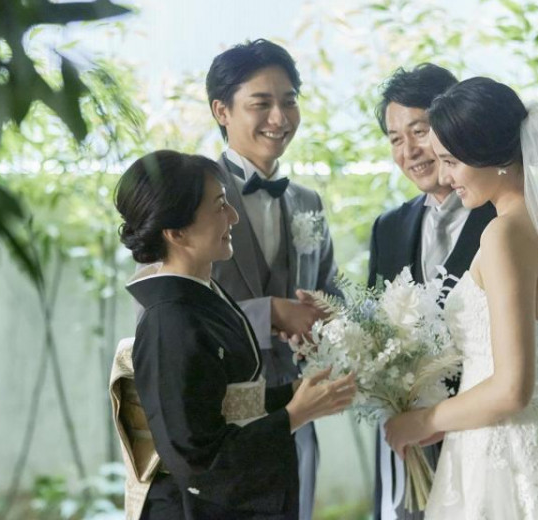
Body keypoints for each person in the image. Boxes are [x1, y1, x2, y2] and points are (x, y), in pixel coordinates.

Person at [112, 150, 356, 520]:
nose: (233, 217)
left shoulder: (202, 294)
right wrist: (294, 415)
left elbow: (228, 403)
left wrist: (295, 393)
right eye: (220, 206)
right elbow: (197, 459)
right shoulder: (169, 321)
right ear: (176, 232)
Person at [385, 77, 538, 519]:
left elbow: (512, 388)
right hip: (534, 432)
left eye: (451, 162)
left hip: (504, 452)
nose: (445, 177)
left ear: (489, 156)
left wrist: (423, 420)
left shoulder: (503, 235)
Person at [206, 38, 339, 520]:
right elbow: (160, 308)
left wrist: (327, 319)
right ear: (222, 111)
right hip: (221, 421)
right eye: (261, 104)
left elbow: (332, 291)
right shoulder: (188, 192)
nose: (279, 118)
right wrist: (270, 314)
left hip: (298, 415)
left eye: (289, 101)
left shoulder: (308, 202)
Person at [370, 64, 496, 520]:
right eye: (394, 139)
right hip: (410, 449)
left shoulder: (504, 219)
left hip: (485, 440)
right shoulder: (387, 228)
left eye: (419, 131)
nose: (409, 151)